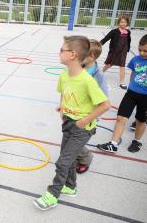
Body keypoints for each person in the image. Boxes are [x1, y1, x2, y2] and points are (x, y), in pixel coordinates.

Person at [34, 36, 110, 210]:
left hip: (82, 127)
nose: (59, 52)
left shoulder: (87, 81)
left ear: (73, 55)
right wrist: (62, 106)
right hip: (68, 122)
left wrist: (84, 121)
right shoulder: (64, 75)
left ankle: (53, 195)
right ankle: (70, 186)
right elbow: (64, 91)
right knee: (68, 158)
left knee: (62, 161)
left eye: (62, 50)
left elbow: (105, 105)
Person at [98, 34, 147, 154]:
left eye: (145, 51)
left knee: (141, 120)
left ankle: (137, 141)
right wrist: (131, 85)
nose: (142, 53)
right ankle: (113, 144)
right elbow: (133, 73)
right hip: (131, 93)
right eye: (140, 50)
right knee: (120, 117)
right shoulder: (136, 60)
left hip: (145, 98)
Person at [76, 39, 109, 174]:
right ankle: (76, 155)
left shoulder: (98, 76)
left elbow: (104, 100)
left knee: (76, 142)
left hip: (88, 116)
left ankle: (85, 159)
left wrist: (91, 118)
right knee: (71, 138)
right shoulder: (79, 67)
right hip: (75, 110)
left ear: (91, 57)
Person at [100, 15, 131, 89]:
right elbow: (106, 38)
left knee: (122, 65)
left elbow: (128, 41)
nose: (123, 24)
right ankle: (100, 73)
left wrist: (127, 49)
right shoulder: (114, 31)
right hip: (115, 51)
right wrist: (98, 44)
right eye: (122, 22)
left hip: (123, 52)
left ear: (127, 23)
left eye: (125, 22)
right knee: (109, 64)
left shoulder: (128, 32)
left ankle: (122, 82)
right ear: (119, 23)